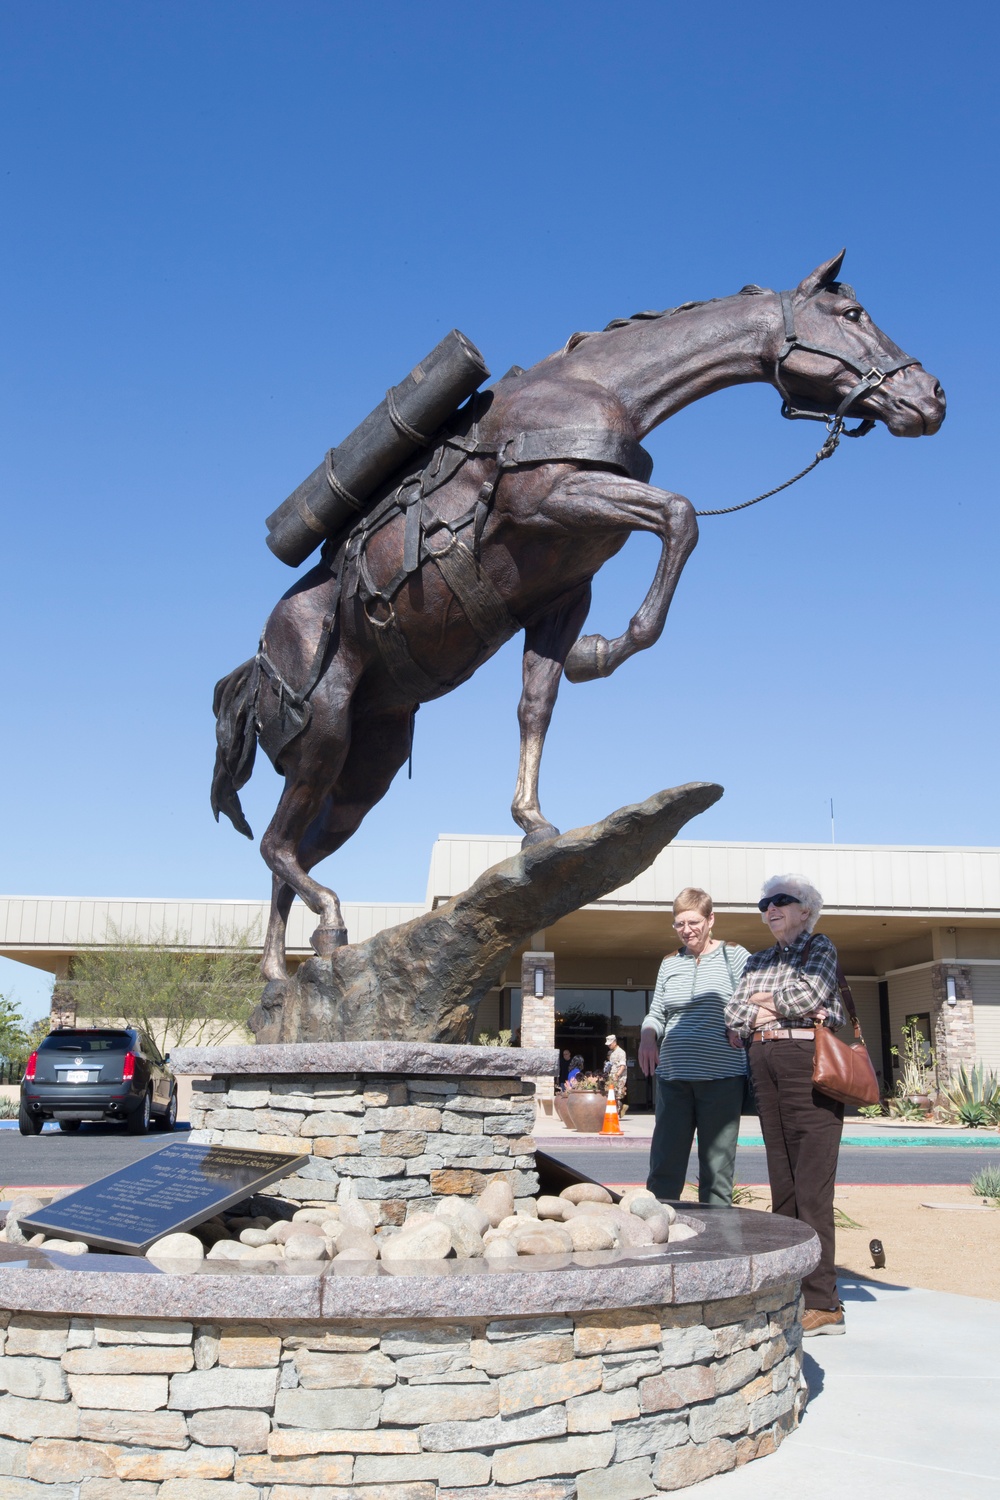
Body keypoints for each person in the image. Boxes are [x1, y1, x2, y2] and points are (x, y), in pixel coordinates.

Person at [725, 874, 847, 1337]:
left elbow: (811, 995)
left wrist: (763, 1002)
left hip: (806, 1061)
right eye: (764, 903)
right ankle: (790, 1289)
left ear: (805, 910)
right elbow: (733, 1014)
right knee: (784, 1182)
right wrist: (767, 1007)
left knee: (812, 1184)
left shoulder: (820, 947)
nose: (770, 908)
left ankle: (824, 1303)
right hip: (763, 1062)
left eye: (781, 901)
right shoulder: (756, 959)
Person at [639, 888, 750, 1208]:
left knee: (717, 1170)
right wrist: (648, 1035)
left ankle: (717, 1243)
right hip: (673, 1078)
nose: (687, 929)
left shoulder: (735, 955)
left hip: (722, 1078)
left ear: (710, 919)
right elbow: (657, 1011)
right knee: (663, 1167)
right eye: (679, 924)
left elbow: (756, 998)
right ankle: (658, 1233)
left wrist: (737, 1022)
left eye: (693, 921)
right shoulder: (670, 962)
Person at [603, 1033, 628, 1114]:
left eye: (610, 1044)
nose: (609, 1046)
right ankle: (618, 1109)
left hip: (619, 1077)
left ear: (614, 1042)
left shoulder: (621, 1052)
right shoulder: (612, 1053)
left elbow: (622, 1066)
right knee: (611, 1093)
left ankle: (618, 1109)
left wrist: (617, 1075)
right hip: (612, 1076)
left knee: (617, 1094)